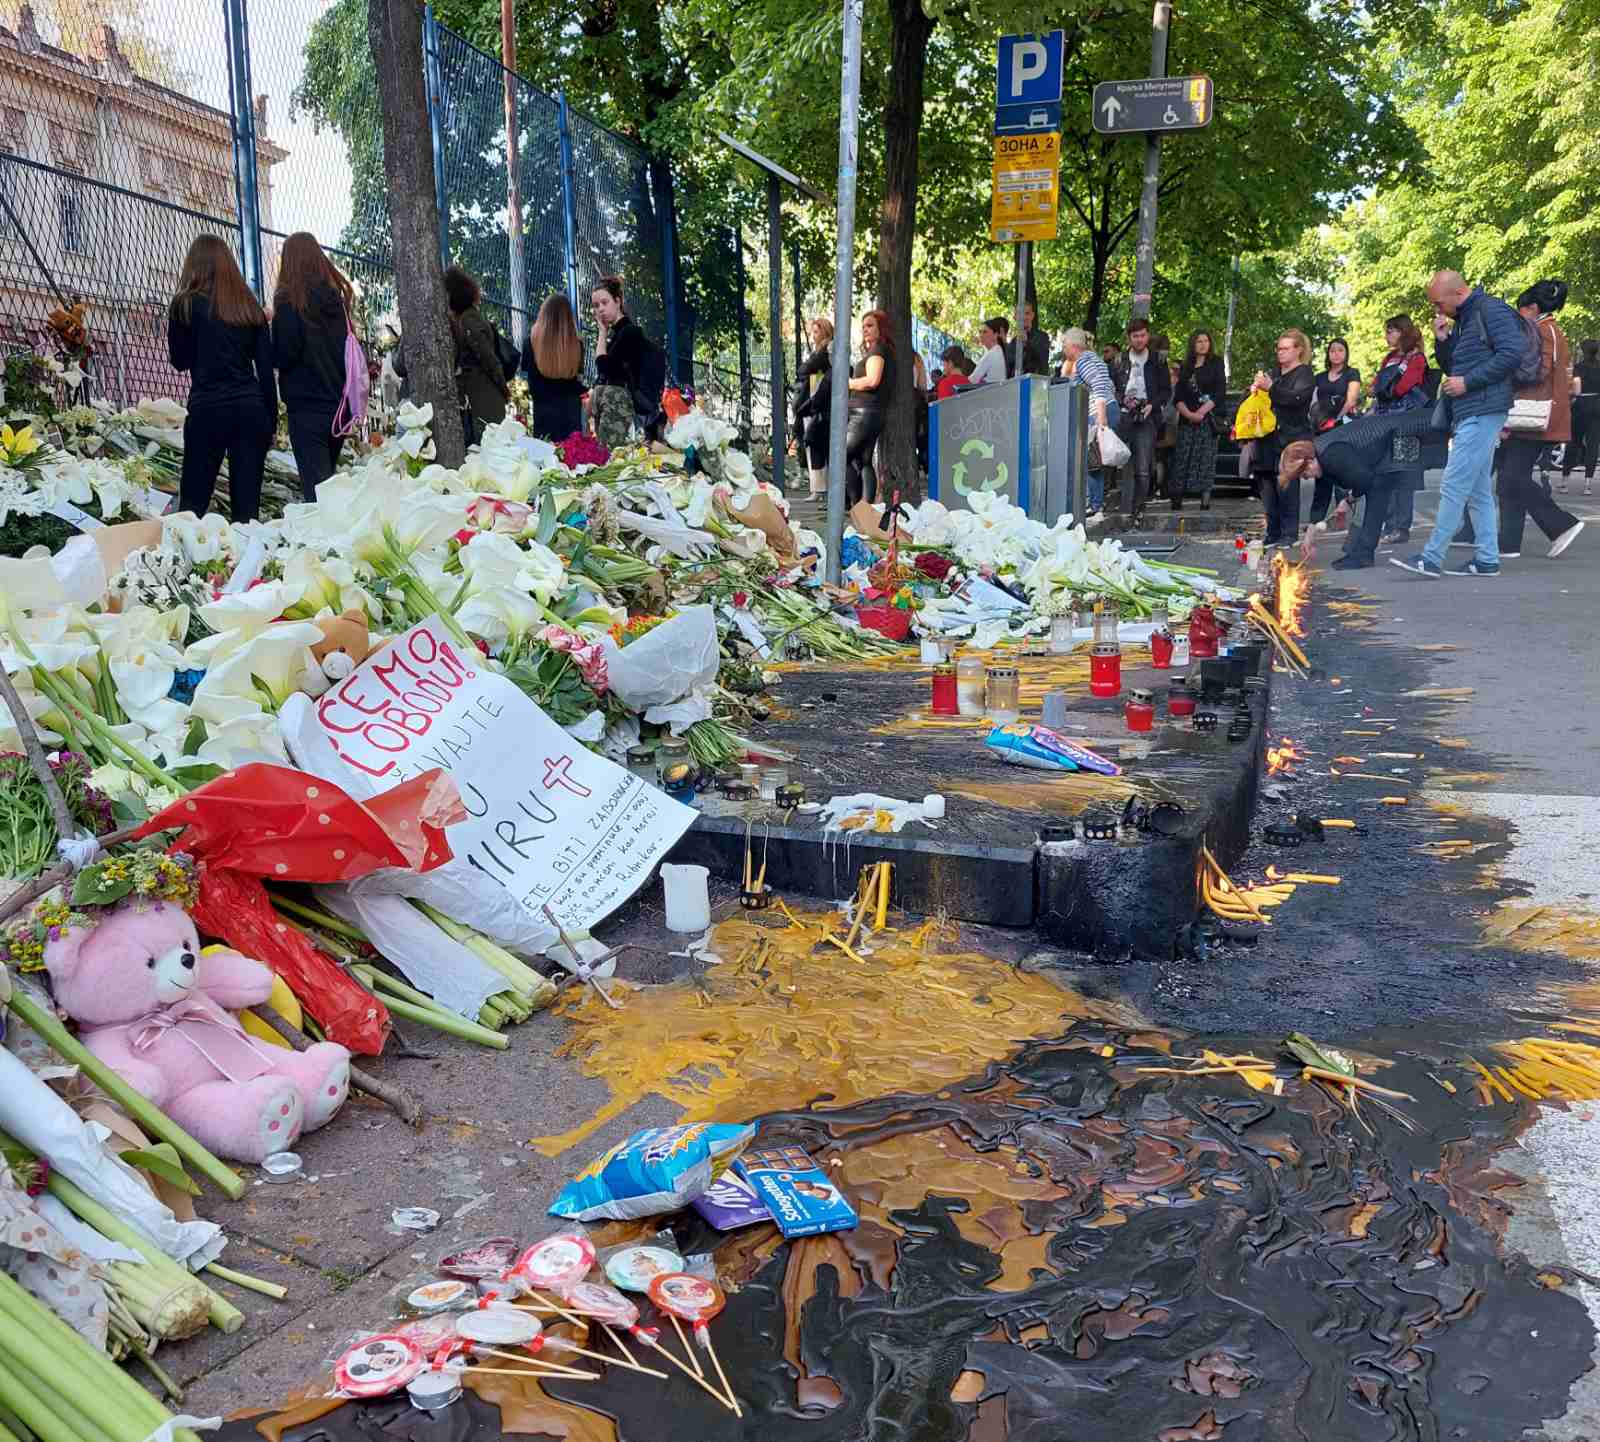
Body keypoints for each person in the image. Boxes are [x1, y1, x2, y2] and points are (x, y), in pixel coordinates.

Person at [1392, 270, 1521, 578]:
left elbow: (1512, 354)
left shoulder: (1490, 309)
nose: (1437, 309)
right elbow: (1456, 366)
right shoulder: (1466, 318)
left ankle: (1432, 557)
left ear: (1458, 293)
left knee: (1453, 484)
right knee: (1477, 490)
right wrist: (1444, 340)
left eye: (1438, 303)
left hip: (1482, 408)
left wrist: (1468, 382)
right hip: (1474, 409)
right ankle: (1487, 560)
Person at [168, 234, 276, 522]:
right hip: (250, 410)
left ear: (193, 265)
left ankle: (188, 549)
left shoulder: (184, 304)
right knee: (247, 512)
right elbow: (266, 372)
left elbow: (179, 361)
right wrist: (271, 423)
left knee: (192, 505)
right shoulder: (249, 307)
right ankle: (246, 550)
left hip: (207, 409)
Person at [1493, 280, 1583, 559]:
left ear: (1532, 307)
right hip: (1537, 411)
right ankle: (1508, 543)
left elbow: (1537, 371)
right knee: (1509, 479)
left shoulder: (1542, 330)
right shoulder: (1550, 329)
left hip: (1533, 413)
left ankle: (1561, 524)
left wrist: (1506, 374)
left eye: (1520, 310)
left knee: (1512, 477)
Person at [271, 231, 354, 500]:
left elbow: (284, 354)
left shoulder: (289, 303)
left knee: (317, 495)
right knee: (327, 487)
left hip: (306, 409)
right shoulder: (336, 302)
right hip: (338, 407)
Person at [1370, 315, 1431, 544]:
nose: (1387, 335)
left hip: (1407, 422)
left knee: (1404, 475)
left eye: (1391, 331)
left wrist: (1384, 388)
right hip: (1384, 421)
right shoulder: (1389, 358)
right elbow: (1376, 386)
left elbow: (1403, 387)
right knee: (1385, 473)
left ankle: (1401, 527)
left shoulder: (1417, 358)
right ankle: (1388, 525)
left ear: (1402, 332)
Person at [1251, 330, 1316, 545]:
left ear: (1299, 350)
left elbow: (1296, 399)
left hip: (1291, 437)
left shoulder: (1304, 373)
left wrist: (1271, 388)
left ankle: (1289, 534)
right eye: (1279, 348)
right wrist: (1254, 390)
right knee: (1266, 485)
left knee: (1286, 485)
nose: (1281, 352)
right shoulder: (1273, 373)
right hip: (1267, 436)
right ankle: (1273, 532)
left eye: (1286, 348)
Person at [591, 274, 666, 443]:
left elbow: (604, 368)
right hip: (619, 406)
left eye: (604, 302)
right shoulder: (619, 334)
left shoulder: (629, 332)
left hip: (624, 406)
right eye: (596, 305)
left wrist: (602, 332)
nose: (600, 309)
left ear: (618, 301)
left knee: (607, 450)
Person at [1112, 317, 1172, 523]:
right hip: (1123, 415)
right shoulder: (1120, 360)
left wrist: (1152, 405)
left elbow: (1166, 391)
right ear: (1129, 338)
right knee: (1113, 460)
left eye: (1143, 335)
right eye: (1135, 336)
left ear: (1148, 336)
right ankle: (1114, 505)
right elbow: (1112, 387)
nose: (1139, 339)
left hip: (1147, 416)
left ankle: (1138, 509)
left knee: (1143, 467)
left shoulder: (1157, 360)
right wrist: (1123, 400)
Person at [444, 265, 508, 443]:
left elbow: (487, 356)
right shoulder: (468, 316)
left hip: (482, 396)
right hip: (481, 395)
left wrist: (503, 387)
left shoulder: (468, 319)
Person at [1060, 327, 1117, 518]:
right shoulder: (1093, 359)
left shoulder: (1083, 360)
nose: (1063, 348)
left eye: (1064, 344)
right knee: (1095, 461)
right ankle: (1095, 503)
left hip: (1098, 412)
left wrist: (1101, 418)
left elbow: (1099, 386)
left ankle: (1094, 504)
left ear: (1073, 345)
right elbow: (1108, 385)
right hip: (1105, 409)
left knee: (1091, 461)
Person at [844, 308, 894, 506]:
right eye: (863, 326)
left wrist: (848, 383)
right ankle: (864, 507)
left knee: (841, 455)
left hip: (864, 413)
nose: (865, 329)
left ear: (881, 328)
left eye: (870, 325)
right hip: (870, 413)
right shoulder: (879, 351)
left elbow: (872, 380)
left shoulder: (877, 352)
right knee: (862, 460)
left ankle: (856, 504)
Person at [1170, 329, 1225, 511]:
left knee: (1206, 458)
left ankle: (1205, 498)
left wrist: (1201, 412)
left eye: (1206, 341)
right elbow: (1178, 396)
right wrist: (1189, 414)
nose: (1203, 344)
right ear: (1193, 344)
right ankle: (1177, 497)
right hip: (1187, 419)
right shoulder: (1186, 366)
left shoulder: (1216, 363)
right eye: (1199, 341)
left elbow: (1220, 392)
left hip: (1208, 419)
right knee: (1182, 458)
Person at [520, 293, 585, 443]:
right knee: (571, 453)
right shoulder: (578, 344)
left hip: (543, 411)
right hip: (570, 412)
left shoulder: (529, 343)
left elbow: (527, 375)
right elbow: (579, 378)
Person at [1310, 338, 1362, 523]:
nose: (1336, 354)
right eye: (1332, 350)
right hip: (1321, 430)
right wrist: (1318, 422)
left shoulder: (1352, 373)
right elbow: (1313, 402)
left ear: (1346, 353)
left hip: (1343, 428)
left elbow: (1351, 400)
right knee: (1322, 475)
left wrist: (1336, 419)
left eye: (1340, 350)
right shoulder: (1320, 377)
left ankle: (1343, 516)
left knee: (1342, 473)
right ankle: (1316, 520)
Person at [792, 316, 833, 497]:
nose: (813, 335)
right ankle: (818, 488)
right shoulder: (820, 352)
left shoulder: (824, 352)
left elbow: (803, 370)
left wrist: (808, 369)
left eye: (816, 331)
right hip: (815, 401)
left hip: (817, 402)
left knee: (815, 444)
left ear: (824, 332)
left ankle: (819, 488)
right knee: (814, 444)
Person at [1563, 338, 1599, 494]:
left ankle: (1565, 481)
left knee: (1573, 442)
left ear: (1583, 351)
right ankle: (1587, 485)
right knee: (1593, 445)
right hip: (1597, 406)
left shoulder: (1578, 368)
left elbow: (1576, 390)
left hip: (1581, 406)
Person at [969, 319, 1008, 386]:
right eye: (980, 332)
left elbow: (973, 379)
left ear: (995, 335)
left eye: (985, 332)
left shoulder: (993, 353)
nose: (981, 335)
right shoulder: (997, 350)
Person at [1019, 302, 1050, 376]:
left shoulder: (1042, 337)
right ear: (1015, 316)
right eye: (1020, 314)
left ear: (1032, 315)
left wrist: (1027, 343)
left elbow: (1042, 360)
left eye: (1027, 313)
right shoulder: (1013, 342)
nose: (1023, 317)